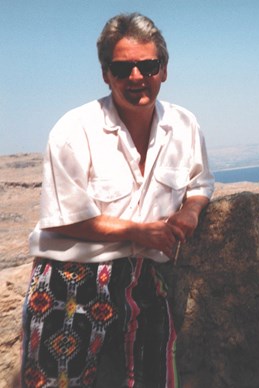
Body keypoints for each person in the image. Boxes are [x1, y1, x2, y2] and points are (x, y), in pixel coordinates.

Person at [20, 12, 214, 388]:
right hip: (70, 283)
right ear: (106, 74)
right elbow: (63, 218)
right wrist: (140, 232)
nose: (136, 77)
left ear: (164, 70)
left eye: (148, 65)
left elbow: (200, 182)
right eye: (122, 68)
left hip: (144, 280)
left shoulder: (185, 126)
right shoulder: (73, 131)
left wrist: (191, 210)